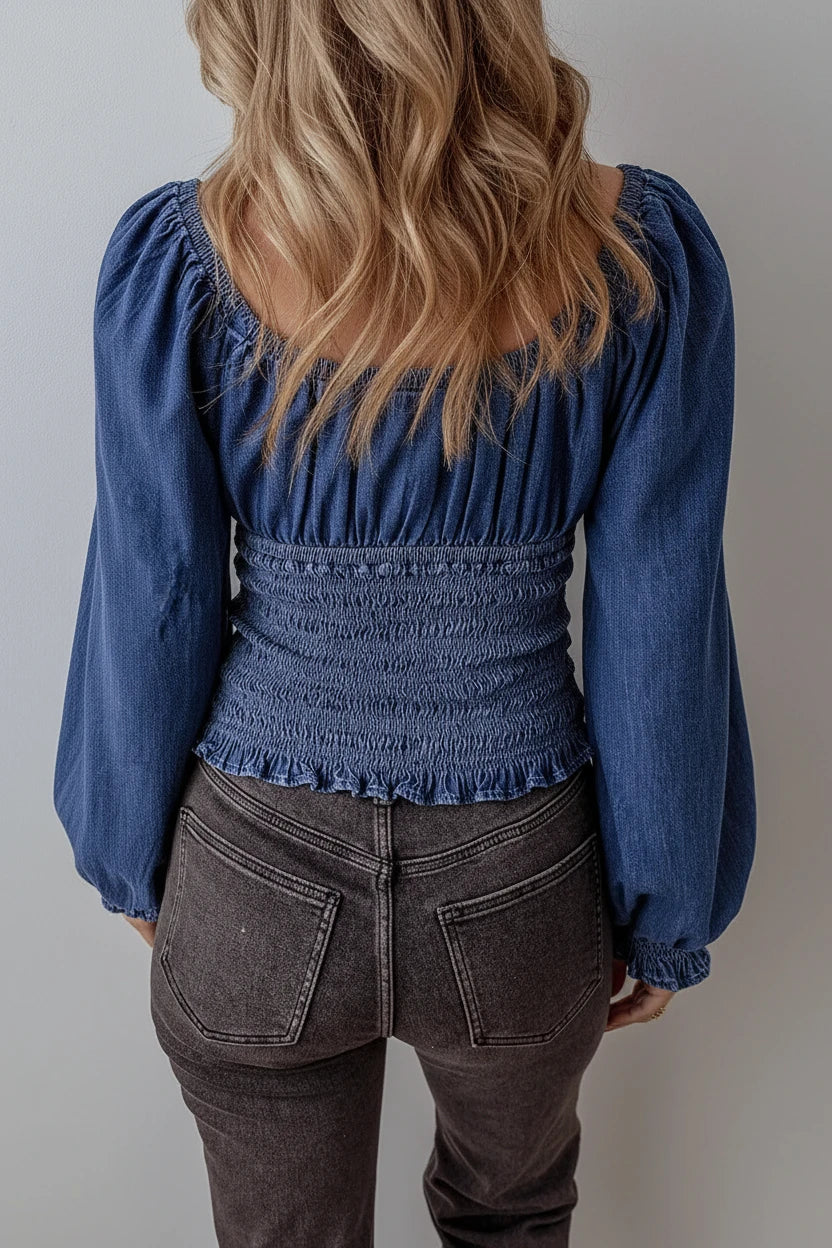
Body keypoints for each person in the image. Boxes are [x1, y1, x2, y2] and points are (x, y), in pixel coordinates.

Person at [52, 1, 756, 1244]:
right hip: (521, 874)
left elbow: (156, 591)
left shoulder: (185, 258)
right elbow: (661, 608)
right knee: (511, 1216)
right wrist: (664, 905)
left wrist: (131, 850)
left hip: (253, 866)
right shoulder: (635, 250)